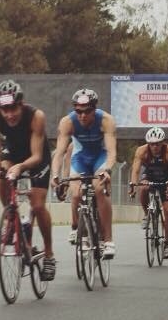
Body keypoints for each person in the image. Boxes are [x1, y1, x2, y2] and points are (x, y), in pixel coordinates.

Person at [0, 79, 55, 281]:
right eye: (4, 109)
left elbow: (36, 157)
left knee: (38, 205)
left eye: (13, 108)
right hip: (12, 152)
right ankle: (12, 218)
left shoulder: (36, 117)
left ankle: (49, 254)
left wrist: (21, 167)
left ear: (21, 104)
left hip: (35, 156)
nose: (9, 114)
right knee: (2, 176)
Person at [50, 88, 118, 259]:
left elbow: (111, 152)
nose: (82, 115)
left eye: (87, 111)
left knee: (98, 189)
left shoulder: (106, 120)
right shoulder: (67, 122)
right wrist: (56, 175)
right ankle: (79, 228)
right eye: (78, 111)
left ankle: (108, 240)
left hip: (100, 157)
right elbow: (59, 153)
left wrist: (107, 170)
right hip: (80, 158)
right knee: (76, 193)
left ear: (94, 109)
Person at [128, 126, 168, 258]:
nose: (154, 147)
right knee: (144, 187)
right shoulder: (142, 151)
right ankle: (147, 214)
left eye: (157, 144)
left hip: (166, 180)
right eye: (151, 144)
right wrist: (133, 185)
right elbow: (135, 171)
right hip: (150, 176)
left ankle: (167, 244)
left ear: (163, 142)